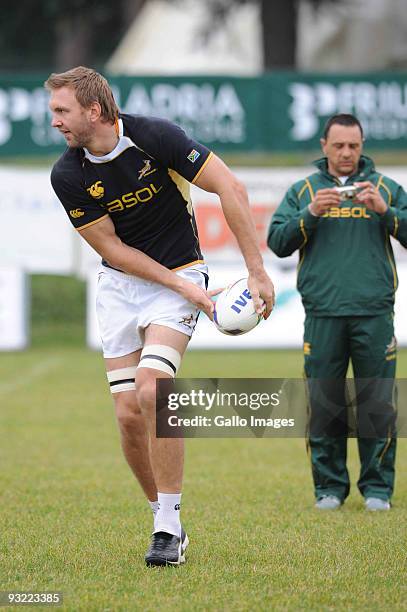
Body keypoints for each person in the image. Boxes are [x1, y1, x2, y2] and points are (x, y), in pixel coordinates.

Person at [45, 66, 274, 566]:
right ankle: (162, 515)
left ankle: (167, 528)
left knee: (153, 390)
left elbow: (229, 188)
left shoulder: (156, 137)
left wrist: (256, 272)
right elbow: (113, 250)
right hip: (125, 286)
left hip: (181, 270)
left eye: (62, 110)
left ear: (94, 110)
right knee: (127, 414)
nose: (54, 120)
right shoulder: (67, 174)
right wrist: (184, 289)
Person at [268, 113, 407, 511]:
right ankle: (329, 489)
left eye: (354, 146)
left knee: (376, 403)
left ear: (362, 147)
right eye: (339, 146)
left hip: (374, 312)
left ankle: (377, 490)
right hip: (323, 314)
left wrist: (386, 212)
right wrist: (310, 213)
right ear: (323, 146)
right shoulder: (303, 190)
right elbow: (277, 242)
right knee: (325, 403)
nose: (347, 154)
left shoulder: (385, 187)